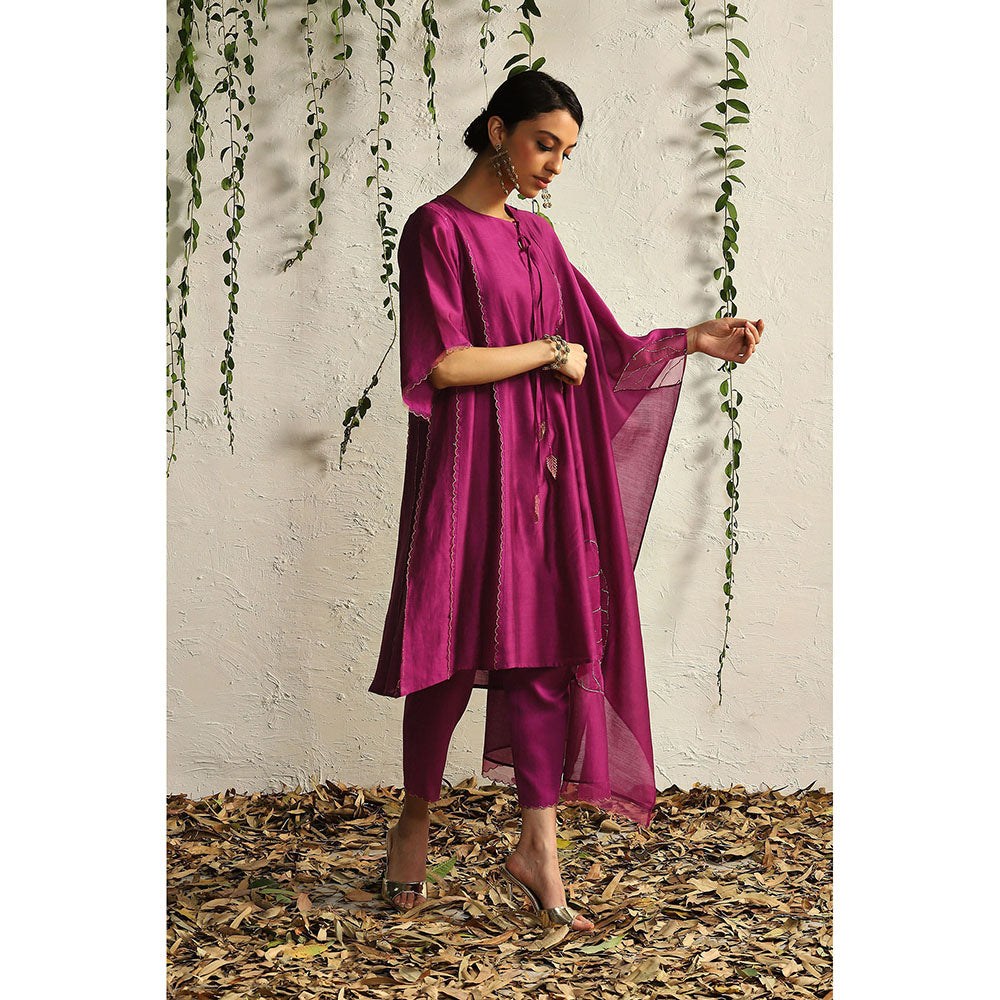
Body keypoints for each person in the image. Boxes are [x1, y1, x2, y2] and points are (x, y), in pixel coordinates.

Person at [369, 70, 764, 932]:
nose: (553, 165)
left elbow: (601, 345)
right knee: (447, 655)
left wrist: (692, 339)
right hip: (467, 470)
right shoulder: (436, 229)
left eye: (567, 153)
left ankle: (538, 849)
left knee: (544, 658)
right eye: (544, 144)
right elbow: (444, 364)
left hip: (541, 478)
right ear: (498, 131)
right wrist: (549, 352)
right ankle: (414, 824)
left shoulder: (538, 238)